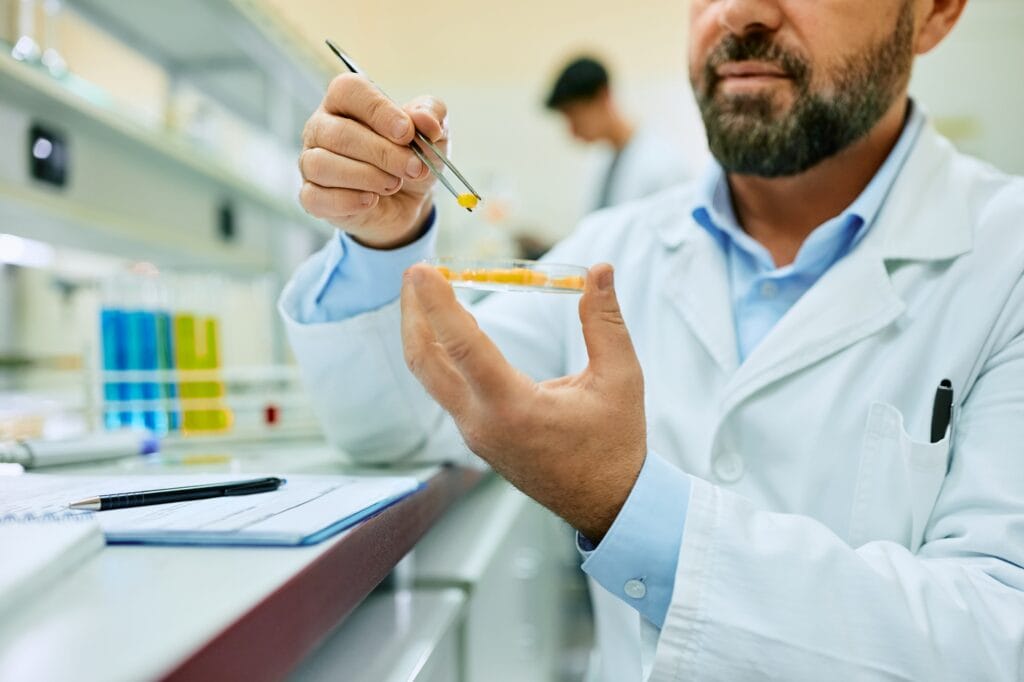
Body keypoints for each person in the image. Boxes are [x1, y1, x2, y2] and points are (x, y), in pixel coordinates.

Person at [283, 0, 1024, 678]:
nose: (739, 12)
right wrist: (383, 242)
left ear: (935, 13)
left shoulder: (1005, 257)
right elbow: (394, 426)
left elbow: (999, 636)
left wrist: (629, 505)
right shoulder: (617, 248)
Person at [545, 56, 692, 212]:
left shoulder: (661, 165)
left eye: (574, 115)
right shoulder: (601, 161)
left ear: (603, 96)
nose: (572, 129)